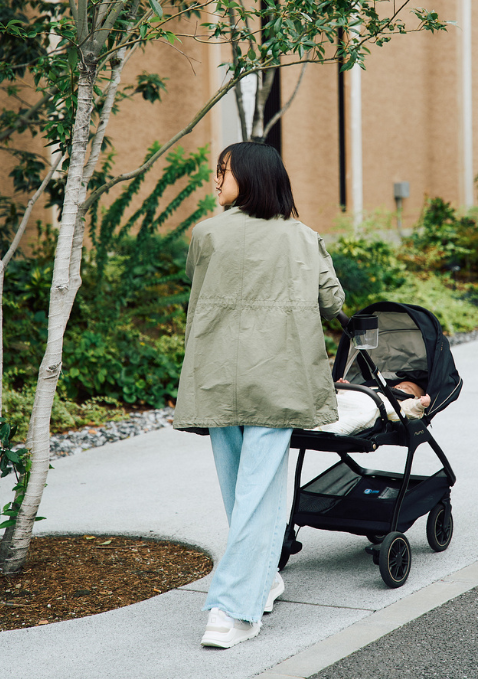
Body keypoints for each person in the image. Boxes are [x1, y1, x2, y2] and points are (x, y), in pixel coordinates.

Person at [173, 142, 344, 649]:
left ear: (249, 176)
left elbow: (197, 281)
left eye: (223, 171)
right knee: (258, 496)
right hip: (278, 380)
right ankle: (236, 608)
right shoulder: (303, 238)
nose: (216, 180)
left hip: (218, 379)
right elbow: (333, 302)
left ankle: (250, 590)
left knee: (238, 494)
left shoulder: (205, 234)